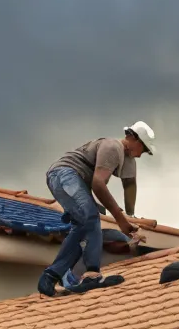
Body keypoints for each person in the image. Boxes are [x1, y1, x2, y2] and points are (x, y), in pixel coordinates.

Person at [37, 122, 155, 297]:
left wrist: (131, 217)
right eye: (142, 148)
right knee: (91, 217)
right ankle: (92, 275)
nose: (140, 154)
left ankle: (50, 277)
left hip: (68, 179)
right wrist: (121, 220)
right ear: (132, 137)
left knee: (83, 226)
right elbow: (98, 185)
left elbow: (130, 185)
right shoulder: (113, 147)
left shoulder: (127, 158)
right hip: (65, 175)